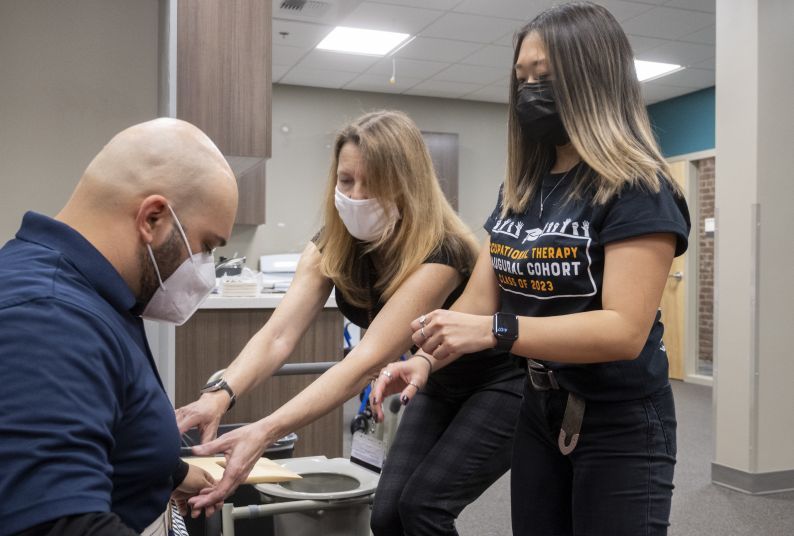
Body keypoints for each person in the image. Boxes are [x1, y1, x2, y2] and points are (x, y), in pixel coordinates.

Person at [371, 3, 691, 535]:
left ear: (593, 79)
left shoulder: (639, 188)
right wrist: (428, 359)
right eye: (522, 78)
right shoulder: (521, 189)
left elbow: (623, 330)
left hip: (621, 417)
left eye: (545, 76)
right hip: (539, 404)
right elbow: (479, 301)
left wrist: (498, 331)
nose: (530, 91)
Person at [176, 110, 525, 534]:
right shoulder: (332, 245)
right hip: (435, 382)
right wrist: (220, 394)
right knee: (387, 516)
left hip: (498, 385)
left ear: (406, 184)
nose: (357, 195)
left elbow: (363, 361)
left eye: (373, 181)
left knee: (423, 508)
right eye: (346, 181)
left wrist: (263, 431)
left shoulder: (443, 252)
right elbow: (278, 335)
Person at [0, 118, 237, 535]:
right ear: (153, 219)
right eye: (207, 246)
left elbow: (100, 426)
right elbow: (62, 525)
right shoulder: (48, 319)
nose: (206, 269)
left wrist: (168, 470)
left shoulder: (96, 294)